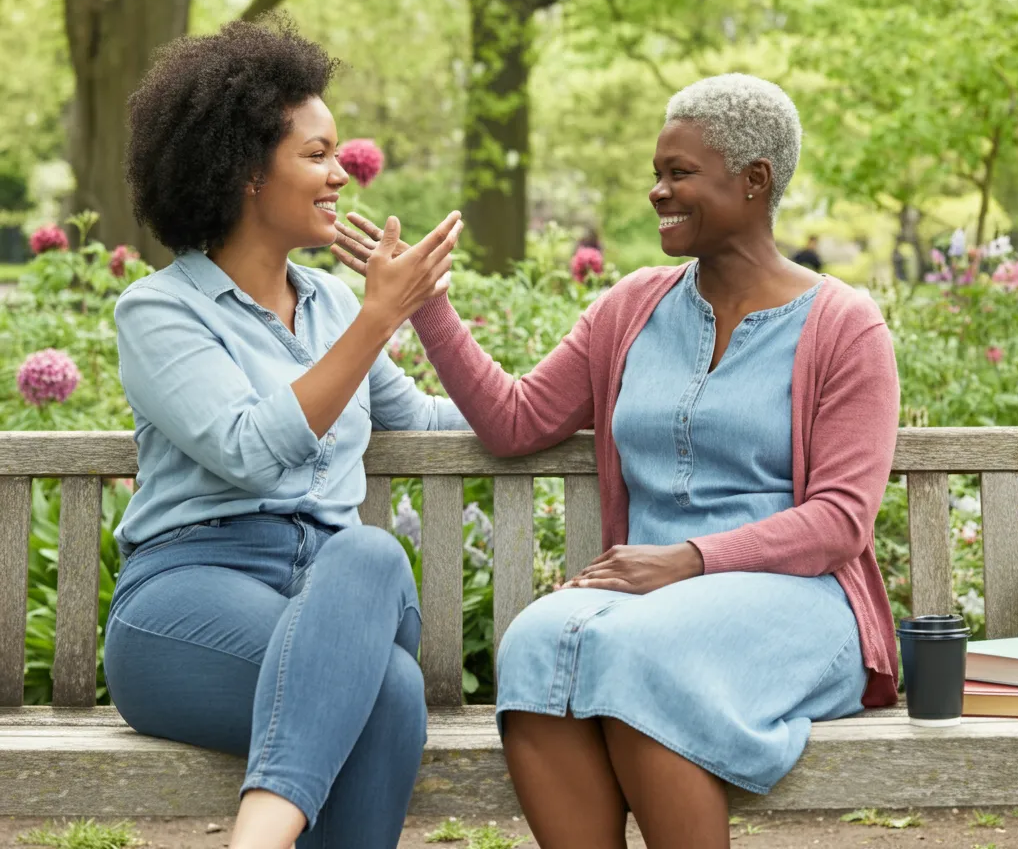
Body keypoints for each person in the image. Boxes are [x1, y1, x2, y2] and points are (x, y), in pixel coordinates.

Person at [333, 73, 900, 849]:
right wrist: (424, 301)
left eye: (679, 174)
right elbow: (514, 419)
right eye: (657, 172)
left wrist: (689, 560)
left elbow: (840, 521)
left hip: (797, 602)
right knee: (535, 642)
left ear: (755, 180)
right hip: (643, 603)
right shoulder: (631, 307)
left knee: (639, 661)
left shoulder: (845, 326)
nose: (656, 191)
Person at [104, 16, 467, 849]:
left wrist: (592, 401)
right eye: (315, 155)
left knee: (368, 556)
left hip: (345, 596)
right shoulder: (160, 310)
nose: (341, 174)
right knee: (388, 693)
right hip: (188, 601)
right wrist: (378, 320)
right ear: (244, 175)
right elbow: (246, 446)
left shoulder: (336, 306)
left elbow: (421, 420)